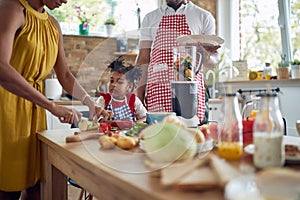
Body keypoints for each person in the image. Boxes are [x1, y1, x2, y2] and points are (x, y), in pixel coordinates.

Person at [0, 0, 109, 199]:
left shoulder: (52, 24)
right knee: (7, 188)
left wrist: (90, 103)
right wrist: (51, 106)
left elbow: (65, 74)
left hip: (34, 112)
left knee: (36, 187)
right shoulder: (12, 9)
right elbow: (2, 68)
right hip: (6, 110)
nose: (66, 0)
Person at [136, 0, 220, 124]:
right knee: (159, 136)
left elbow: (213, 61)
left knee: (190, 135)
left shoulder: (203, 16)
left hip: (189, 93)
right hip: (157, 91)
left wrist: (203, 52)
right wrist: (138, 97)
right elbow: (143, 59)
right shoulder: (150, 18)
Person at [96, 56, 147, 123]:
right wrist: (118, 123)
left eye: (119, 82)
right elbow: (98, 119)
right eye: (111, 81)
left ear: (129, 87)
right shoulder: (103, 100)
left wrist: (135, 124)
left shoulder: (134, 100)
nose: (113, 84)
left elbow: (145, 117)